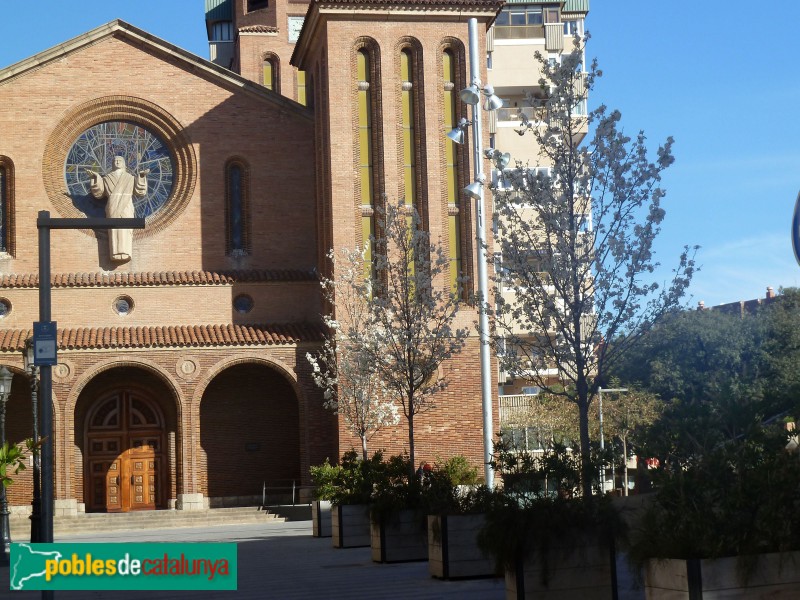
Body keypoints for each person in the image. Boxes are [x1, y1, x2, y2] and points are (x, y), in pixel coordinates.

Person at [86, 156, 149, 263]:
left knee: (126, 230)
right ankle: (115, 252)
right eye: (115, 160)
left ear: (124, 163)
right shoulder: (106, 178)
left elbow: (140, 191)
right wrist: (96, 177)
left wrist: (141, 176)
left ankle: (126, 251)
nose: (117, 162)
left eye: (120, 160)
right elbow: (99, 193)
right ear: (112, 164)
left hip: (126, 207)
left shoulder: (130, 178)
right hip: (112, 207)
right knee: (114, 230)